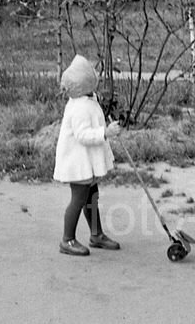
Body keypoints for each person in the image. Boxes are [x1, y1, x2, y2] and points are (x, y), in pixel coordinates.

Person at [53, 53, 122, 256]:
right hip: (78, 163)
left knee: (92, 195)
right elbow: (83, 135)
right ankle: (67, 240)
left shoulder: (86, 99)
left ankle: (96, 234)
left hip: (86, 162)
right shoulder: (79, 107)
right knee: (79, 199)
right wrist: (105, 132)